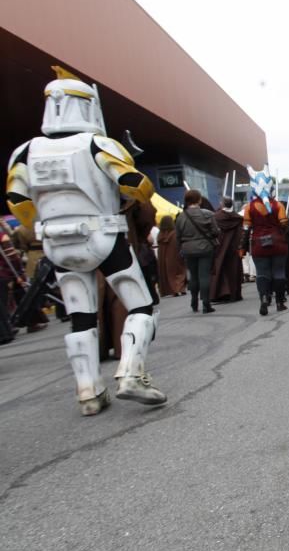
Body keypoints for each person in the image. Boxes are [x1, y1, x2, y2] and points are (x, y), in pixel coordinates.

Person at [6, 69, 166, 414]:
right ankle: (132, 373)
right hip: (102, 235)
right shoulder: (99, 144)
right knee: (139, 305)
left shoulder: (25, 152)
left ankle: (88, 391)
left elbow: (17, 201)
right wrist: (122, 200)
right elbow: (137, 184)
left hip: (57, 242)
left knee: (81, 315)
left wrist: (47, 223)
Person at [242, 164, 289, 315]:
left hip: (258, 244)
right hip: (278, 243)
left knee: (262, 273)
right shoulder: (278, 205)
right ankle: (280, 302)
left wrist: (242, 247)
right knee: (279, 272)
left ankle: (264, 298)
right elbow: (284, 224)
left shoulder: (249, 207)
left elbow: (245, 229)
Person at [176, 189, 219, 314]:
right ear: (199, 200)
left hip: (188, 249)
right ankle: (206, 304)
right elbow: (215, 232)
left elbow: (178, 236)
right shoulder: (207, 214)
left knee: (193, 276)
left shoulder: (180, 216)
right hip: (205, 247)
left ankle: (194, 301)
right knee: (204, 275)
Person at [211, 197, 244, 302]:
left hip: (220, 247)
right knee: (233, 271)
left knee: (221, 270)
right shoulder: (238, 218)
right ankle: (234, 294)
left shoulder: (216, 217)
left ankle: (222, 294)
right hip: (234, 247)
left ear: (222, 204)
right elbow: (240, 234)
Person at [155, 215, 187, 297]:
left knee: (169, 273)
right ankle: (180, 288)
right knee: (180, 272)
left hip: (164, 257)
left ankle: (173, 290)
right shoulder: (175, 233)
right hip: (175, 255)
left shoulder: (160, 235)